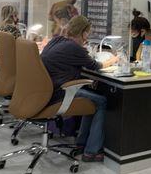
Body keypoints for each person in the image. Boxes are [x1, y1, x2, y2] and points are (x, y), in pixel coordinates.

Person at [41, 16, 118, 162]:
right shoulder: (75, 48)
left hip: (47, 91)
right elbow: (96, 66)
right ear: (83, 33)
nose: (87, 37)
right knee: (101, 102)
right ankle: (92, 151)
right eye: (88, 33)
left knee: (92, 100)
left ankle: (82, 143)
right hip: (60, 93)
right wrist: (113, 60)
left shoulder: (56, 40)